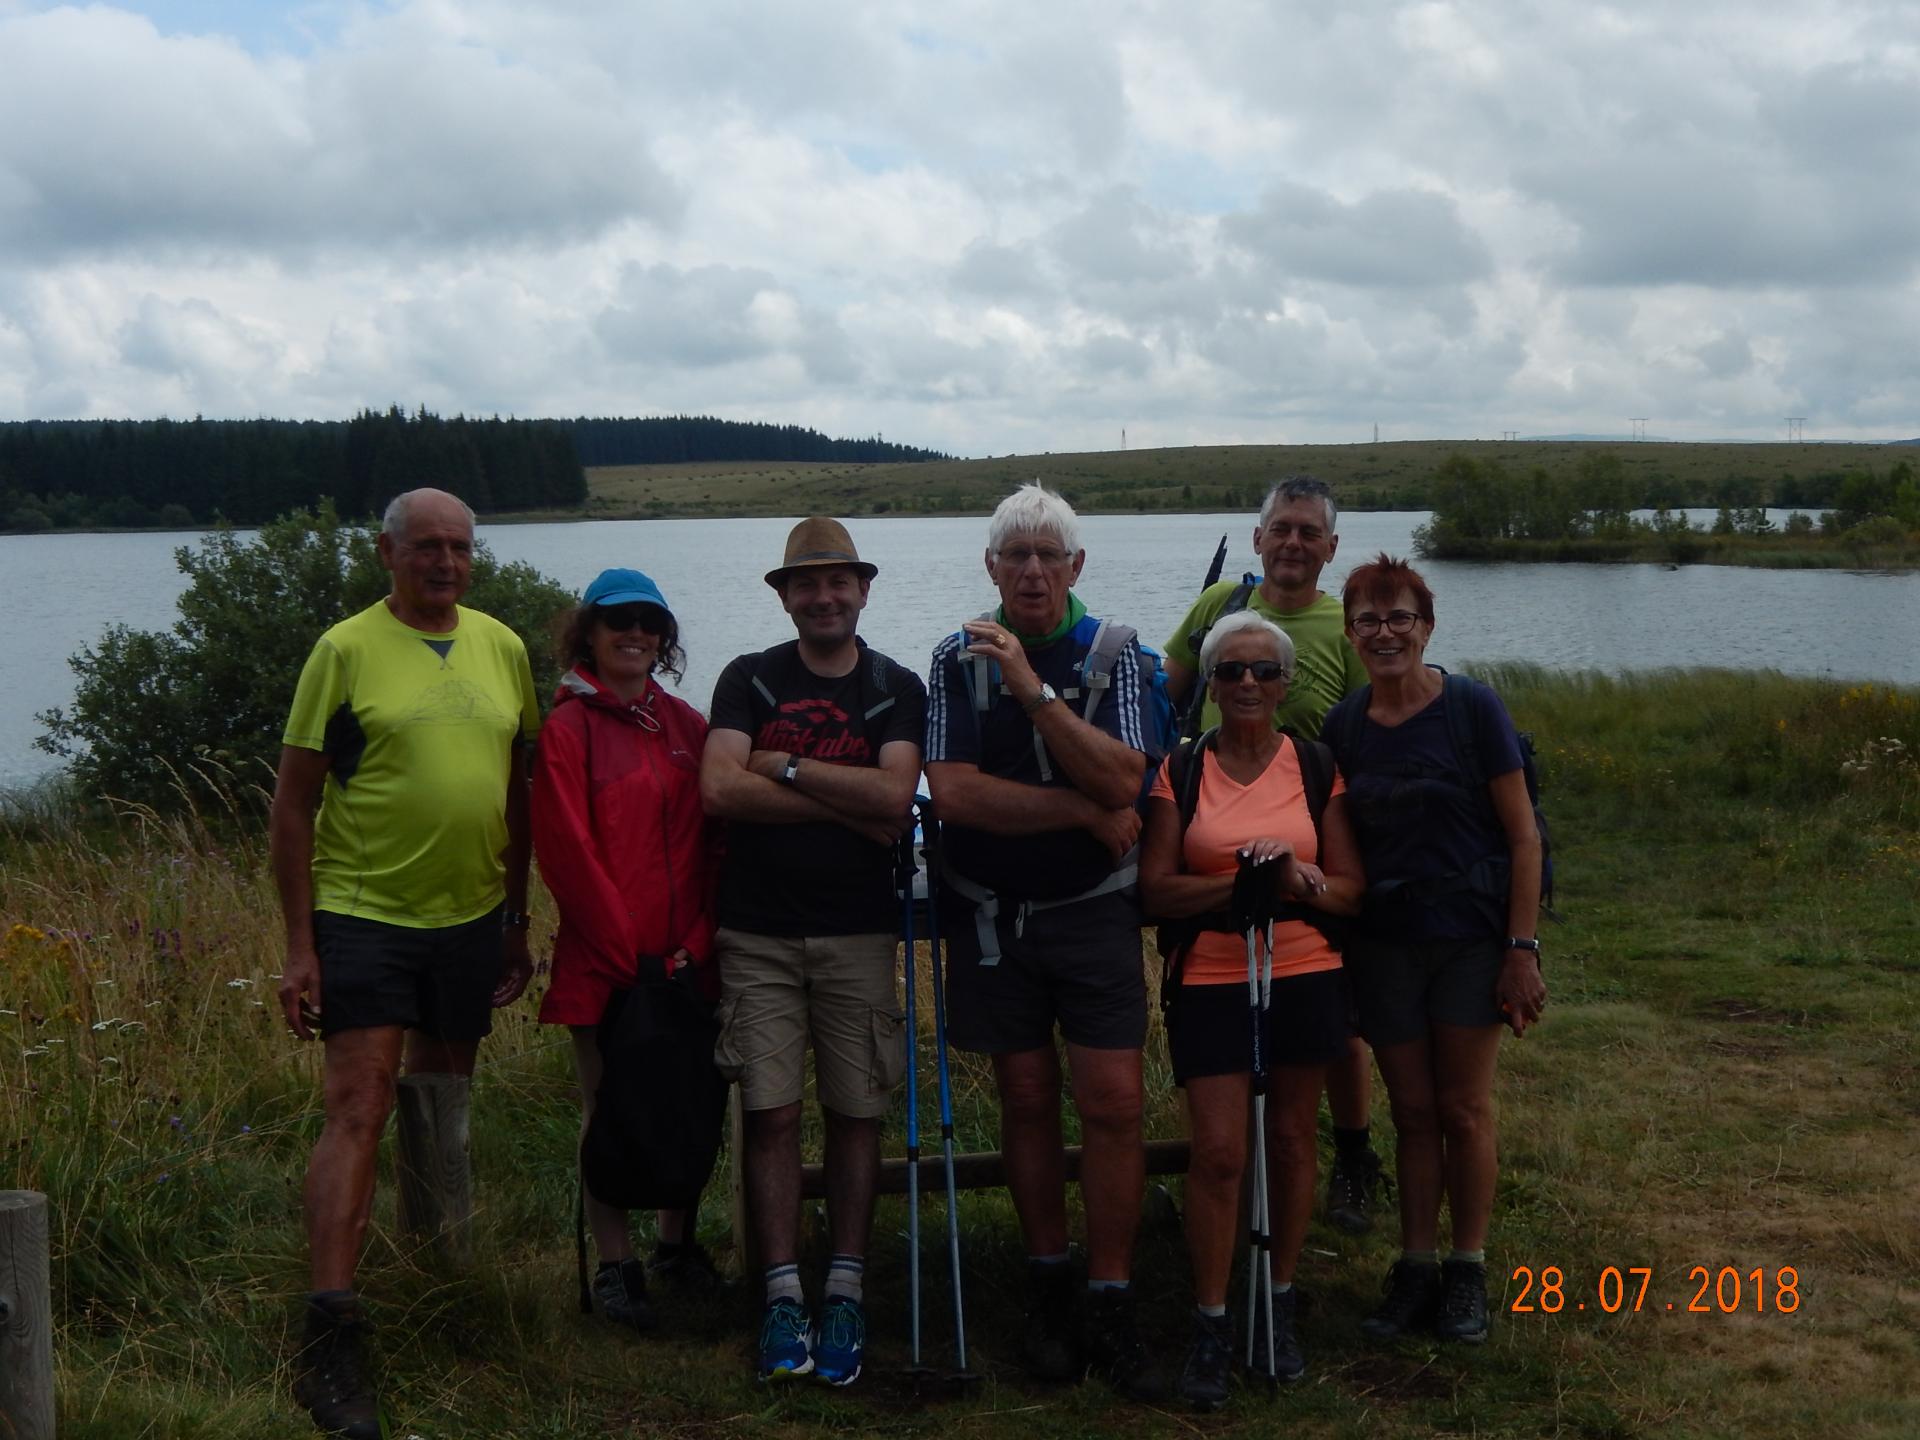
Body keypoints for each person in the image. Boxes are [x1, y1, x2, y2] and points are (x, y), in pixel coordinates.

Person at [269, 488, 540, 1440]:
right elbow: (294, 804)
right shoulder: (344, 650)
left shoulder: (503, 647)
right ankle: (331, 1334)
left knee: (443, 1092)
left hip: (468, 916)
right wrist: (302, 946)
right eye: (425, 546)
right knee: (359, 1104)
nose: (445, 563)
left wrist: (514, 916)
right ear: (387, 552)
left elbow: (515, 790)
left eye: (460, 548)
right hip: (364, 911)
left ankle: (438, 1269)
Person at [924, 482, 1167, 1402]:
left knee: (1112, 1104)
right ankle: (1046, 1284)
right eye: (1014, 555)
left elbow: (1128, 778)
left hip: (1094, 913)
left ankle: (1111, 1294)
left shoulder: (1118, 652)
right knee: (1026, 1099)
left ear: (1076, 567)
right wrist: (1076, 806)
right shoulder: (955, 659)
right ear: (990, 567)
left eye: (1047, 555)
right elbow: (953, 795)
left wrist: (1031, 691)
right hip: (992, 917)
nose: (1031, 569)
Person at [699, 518, 925, 1387]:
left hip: (860, 934)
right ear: (784, 595)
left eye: (839, 583)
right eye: (807, 584)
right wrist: (853, 804)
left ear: (863, 590)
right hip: (755, 934)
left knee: (857, 1111)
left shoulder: (894, 684)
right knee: (771, 1113)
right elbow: (720, 788)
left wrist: (784, 765)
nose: (824, 597)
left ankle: (847, 1290)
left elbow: (899, 794)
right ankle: (782, 1292)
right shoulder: (747, 676)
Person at [1320, 554, 1547, 1344]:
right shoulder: (1343, 728)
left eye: (1400, 618)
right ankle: (1415, 1268)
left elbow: (1523, 836)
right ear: (1350, 635)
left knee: (1463, 1108)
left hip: (1469, 941)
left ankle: (1467, 1271)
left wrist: (1521, 948)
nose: (1386, 634)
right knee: (1412, 1113)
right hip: (1384, 946)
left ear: (1427, 626)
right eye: (1369, 621)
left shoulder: (1471, 709)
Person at [1139, 611, 1364, 1405]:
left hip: (1305, 969)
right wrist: (1244, 882)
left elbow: (1348, 888)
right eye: (1229, 671)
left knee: (1295, 1140)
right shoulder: (1182, 769)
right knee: (1222, 1152)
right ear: (1208, 681)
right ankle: (1209, 1318)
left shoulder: (1314, 765)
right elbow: (1155, 888)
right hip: (1211, 973)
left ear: (1286, 683)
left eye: (1262, 672)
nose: (1245, 685)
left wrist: (1298, 882)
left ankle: (1279, 1298)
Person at [1162, 475, 1387, 1237]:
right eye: (1280, 529)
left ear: (1330, 548)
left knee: (1340, 1014)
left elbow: (1373, 723)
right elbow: (1170, 693)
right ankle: (1240, 1171)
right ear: (1257, 539)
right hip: (1220, 808)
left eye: (1308, 532)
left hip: (1315, 817)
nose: (1292, 543)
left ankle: (1352, 1151)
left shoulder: (1346, 624)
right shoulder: (1218, 606)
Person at [531, 567, 722, 1330]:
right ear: (589, 634)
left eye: (649, 622)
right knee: (606, 1108)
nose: (634, 634)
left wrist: (695, 944)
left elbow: (716, 846)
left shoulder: (688, 727)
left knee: (686, 1103)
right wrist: (628, 956)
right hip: (607, 967)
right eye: (618, 622)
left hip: (687, 962)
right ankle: (617, 1266)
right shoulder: (566, 731)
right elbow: (566, 852)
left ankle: (677, 1248)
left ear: (664, 637)